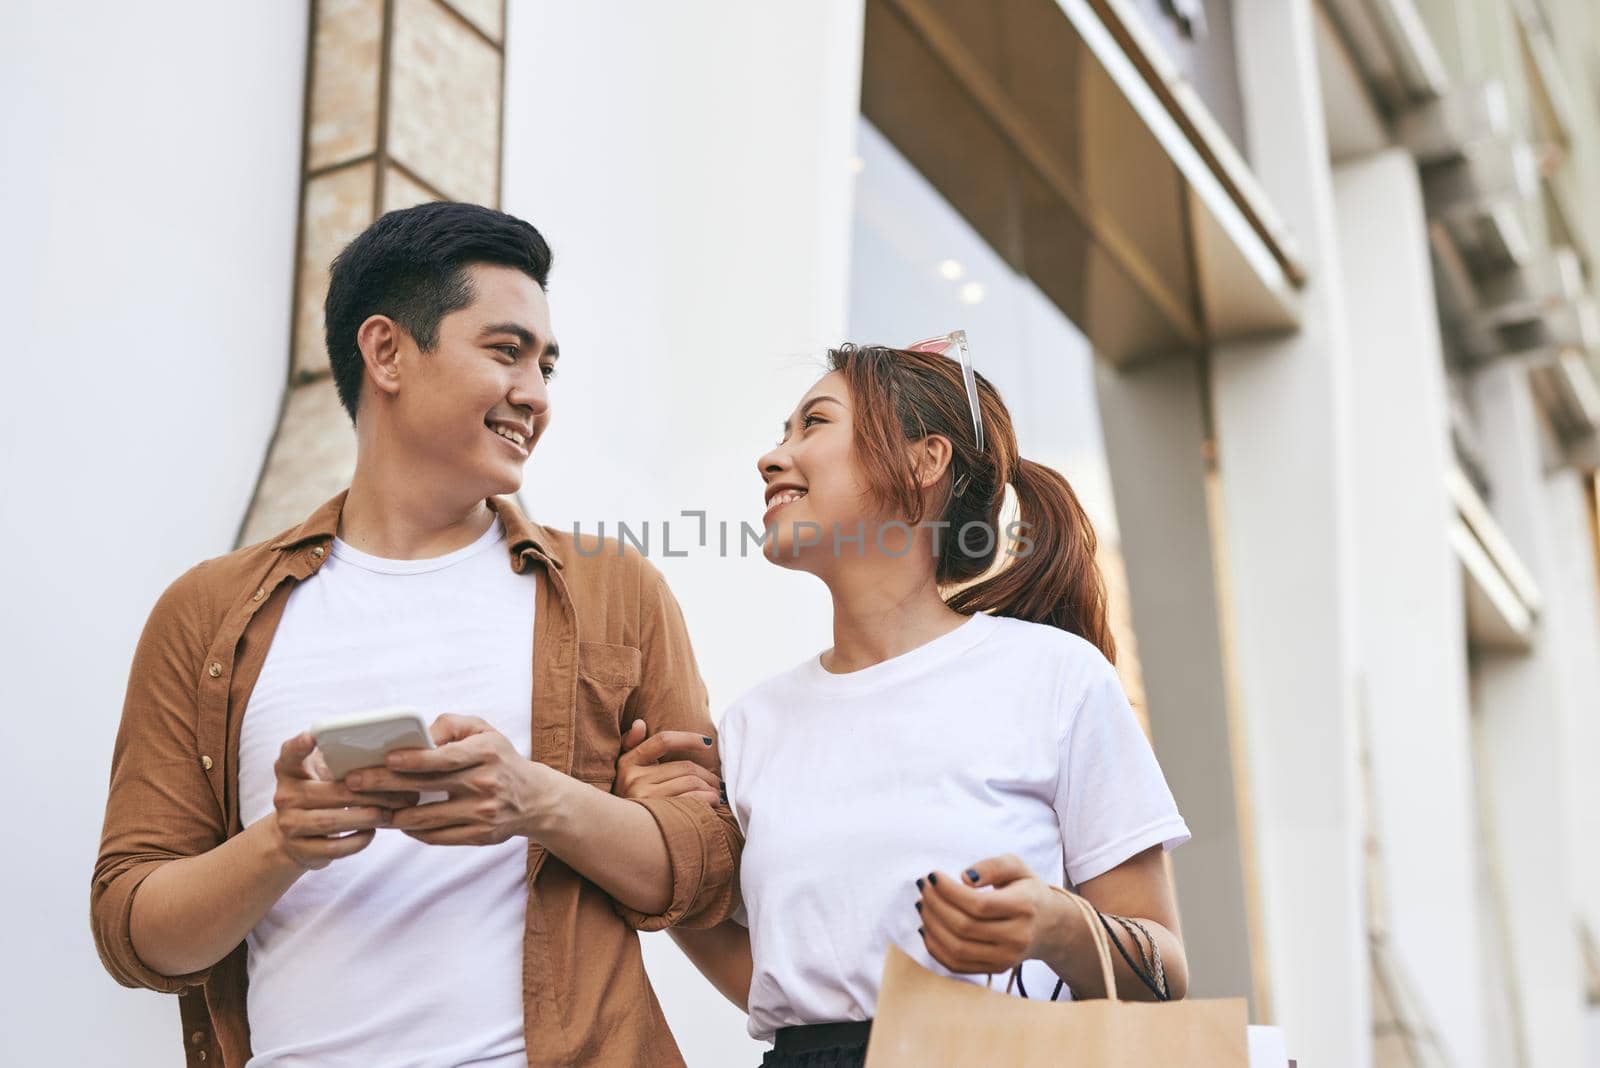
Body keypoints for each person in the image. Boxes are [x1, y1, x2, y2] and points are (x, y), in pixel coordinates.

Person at [91, 201, 741, 1067]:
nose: (537, 396)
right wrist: (285, 839)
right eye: (506, 352)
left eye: (547, 366)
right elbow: (138, 933)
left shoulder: (617, 591)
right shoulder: (206, 611)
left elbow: (703, 869)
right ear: (387, 352)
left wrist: (533, 799)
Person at [614, 338, 1190, 1067]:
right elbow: (776, 985)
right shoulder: (753, 725)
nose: (772, 457)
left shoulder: (1055, 677)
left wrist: (1057, 927)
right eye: (781, 433)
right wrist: (663, 847)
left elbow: (1165, 970)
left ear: (924, 462)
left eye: (813, 424)